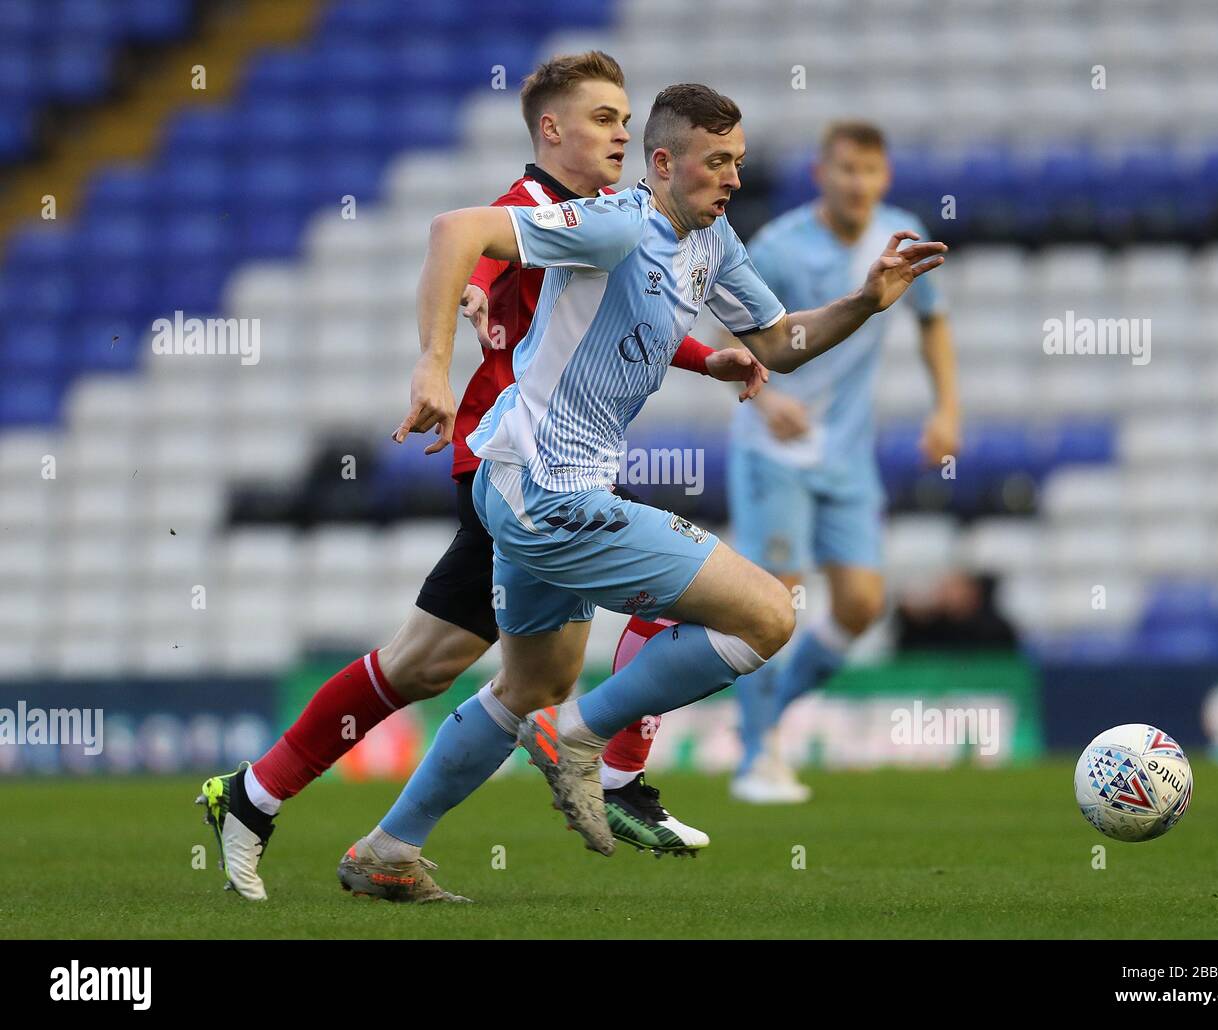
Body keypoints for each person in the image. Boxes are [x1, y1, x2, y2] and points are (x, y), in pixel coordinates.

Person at [335, 83, 945, 901]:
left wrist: (867, 302)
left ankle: (388, 849)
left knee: (526, 687)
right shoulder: (619, 221)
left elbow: (780, 342)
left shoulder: (714, 240)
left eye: (738, 160)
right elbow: (454, 231)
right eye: (715, 162)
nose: (732, 177)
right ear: (662, 163)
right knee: (768, 615)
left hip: (523, 485)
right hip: (548, 496)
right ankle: (582, 736)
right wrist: (432, 364)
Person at [196, 53, 768, 901]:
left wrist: (700, 358)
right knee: (642, 624)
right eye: (605, 118)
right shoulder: (527, 207)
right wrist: (446, 344)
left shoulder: (608, 215)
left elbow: (608, 310)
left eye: (624, 118)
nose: (621, 131)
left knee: (446, 666)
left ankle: (274, 800)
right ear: (552, 129)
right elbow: (470, 251)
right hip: (521, 466)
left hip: (545, 467)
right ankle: (611, 773)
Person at [728, 122, 962, 803]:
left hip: (848, 456)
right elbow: (731, 329)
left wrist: (946, 408)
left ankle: (771, 718)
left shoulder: (900, 235)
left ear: (884, 177)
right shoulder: (777, 245)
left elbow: (933, 319)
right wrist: (765, 401)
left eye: (870, 170)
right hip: (776, 450)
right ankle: (756, 757)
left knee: (861, 604)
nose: (858, 182)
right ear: (819, 174)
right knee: (777, 604)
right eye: (846, 169)